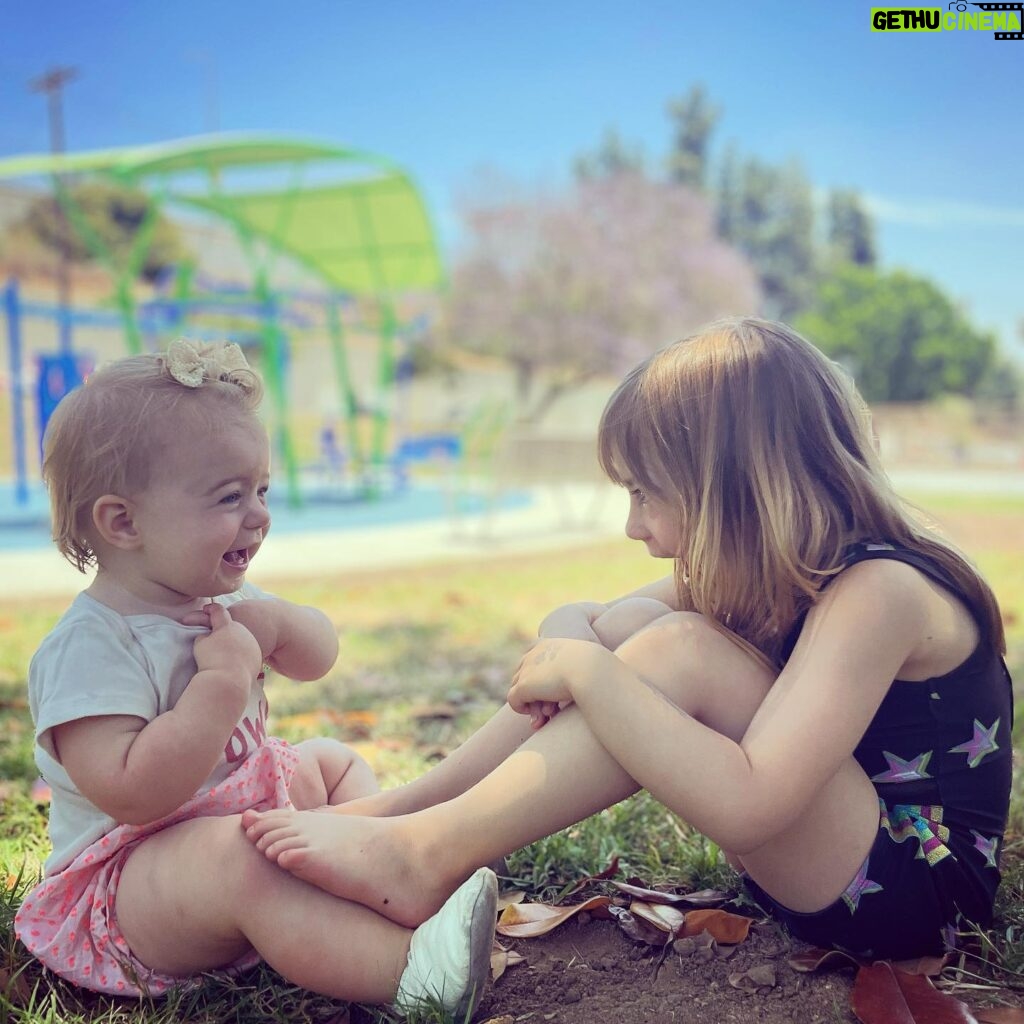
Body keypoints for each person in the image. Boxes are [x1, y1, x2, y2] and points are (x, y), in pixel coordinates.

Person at [243, 317, 1014, 960]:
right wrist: (577, 648)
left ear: (731, 488)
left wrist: (588, 671)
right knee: (643, 630)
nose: (632, 525)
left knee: (673, 648)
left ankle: (425, 854)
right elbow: (594, 622)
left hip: (914, 890)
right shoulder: (773, 566)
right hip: (838, 861)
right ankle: (406, 818)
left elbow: (749, 805)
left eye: (646, 492)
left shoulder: (880, 590)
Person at [14, 339, 498, 1017]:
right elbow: (132, 793)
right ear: (123, 522)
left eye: (262, 489)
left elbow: (318, 656)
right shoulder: (91, 646)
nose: (260, 514)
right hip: (138, 886)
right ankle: (413, 977)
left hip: (244, 817)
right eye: (229, 496)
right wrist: (217, 689)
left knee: (329, 765)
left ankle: (385, 881)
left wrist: (276, 626)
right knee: (240, 858)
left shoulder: (224, 599)